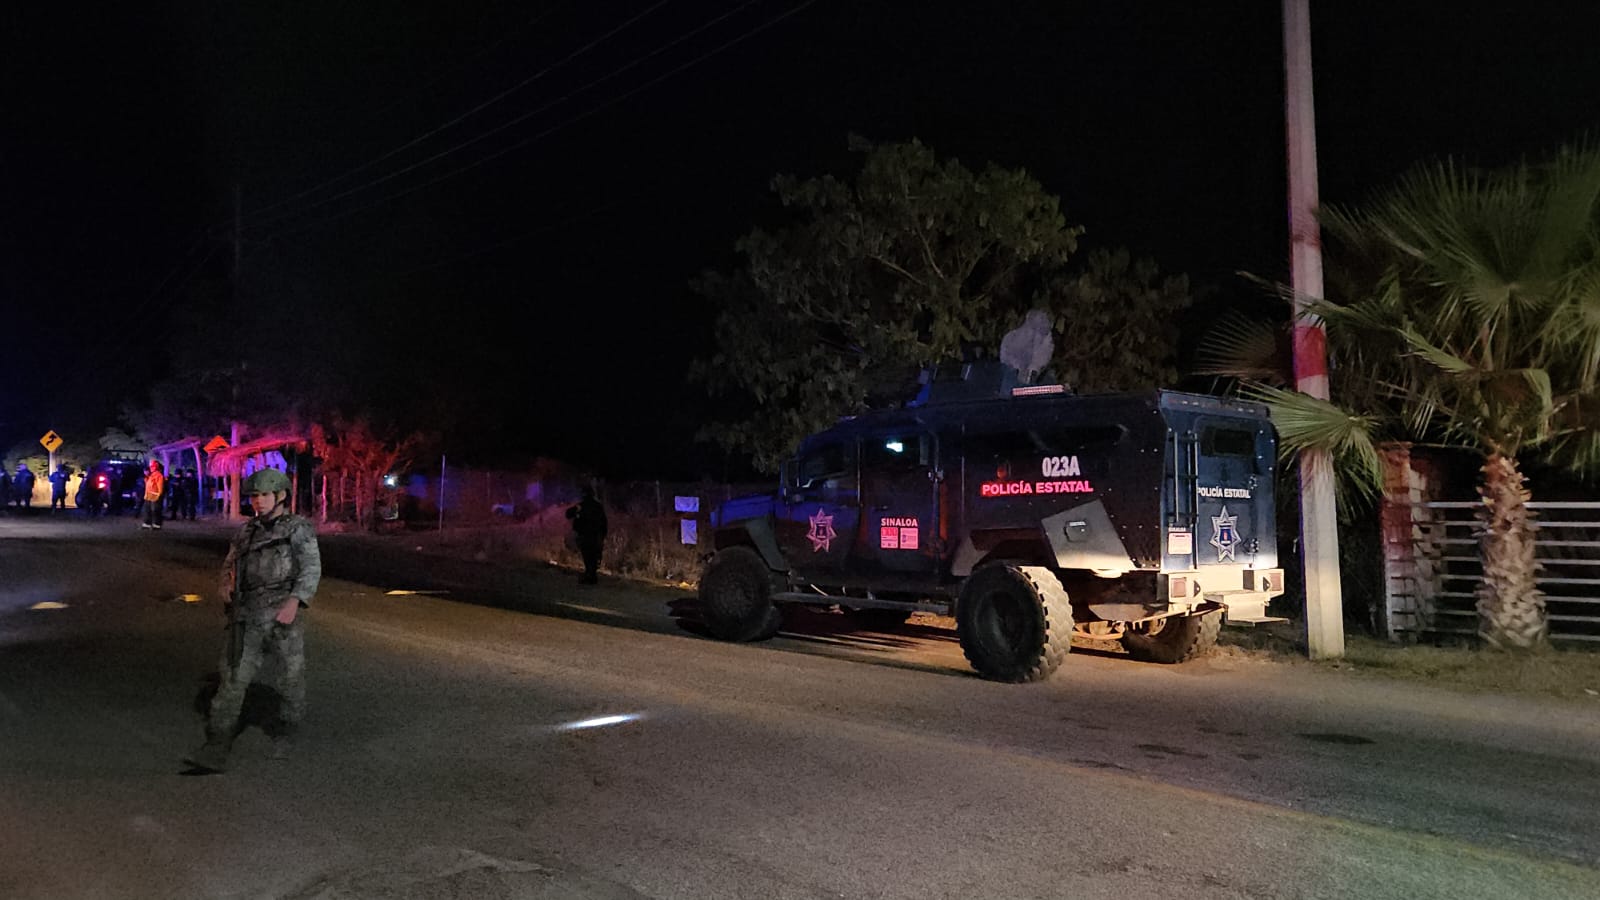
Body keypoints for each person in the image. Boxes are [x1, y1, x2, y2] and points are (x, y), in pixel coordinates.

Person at [184, 468, 321, 775]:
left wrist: (294, 601)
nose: (258, 501)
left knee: (290, 679)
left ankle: (287, 732)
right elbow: (230, 564)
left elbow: (311, 568)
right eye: (254, 496)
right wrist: (225, 586)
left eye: (264, 495)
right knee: (232, 679)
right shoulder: (247, 531)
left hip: (282, 614)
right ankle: (217, 745)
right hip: (247, 615)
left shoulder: (297, 529)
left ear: (281, 496)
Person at [565, 485, 608, 584]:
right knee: (593, 556)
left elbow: (568, 514)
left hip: (586, 535)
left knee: (588, 556)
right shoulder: (597, 506)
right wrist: (602, 536)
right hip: (594, 536)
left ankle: (590, 575)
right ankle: (591, 575)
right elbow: (604, 522)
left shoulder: (582, 506)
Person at [141, 460, 166, 529]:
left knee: (155, 510)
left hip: (155, 496)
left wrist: (159, 495)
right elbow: (148, 485)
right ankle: (147, 523)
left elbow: (160, 486)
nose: (151, 468)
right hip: (149, 496)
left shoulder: (158, 475)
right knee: (147, 510)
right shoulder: (151, 475)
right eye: (151, 466)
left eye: (153, 466)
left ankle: (156, 524)